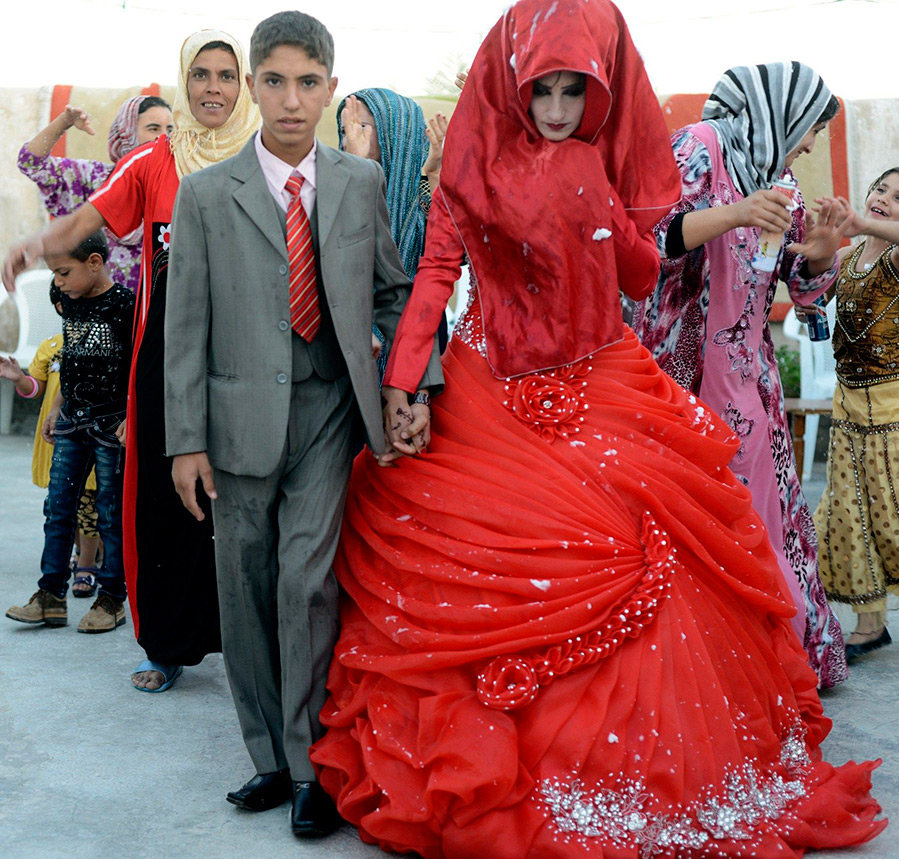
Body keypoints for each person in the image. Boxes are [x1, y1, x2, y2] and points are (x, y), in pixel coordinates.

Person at [309, 2, 886, 856]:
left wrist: (624, 218)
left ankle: (643, 772)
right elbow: (435, 272)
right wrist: (405, 384)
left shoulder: (592, 167)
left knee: (660, 546)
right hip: (487, 394)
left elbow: (639, 268)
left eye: (572, 89)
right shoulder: (467, 169)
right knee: (485, 556)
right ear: (512, 83)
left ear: (599, 92)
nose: (553, 107)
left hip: (604, 380)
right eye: (539, 87)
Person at [163, 9, 442, 837]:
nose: (291, 100)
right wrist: (185, 439)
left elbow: (393, 292)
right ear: (254, 86)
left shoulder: (357, 182)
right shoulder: (207, 194)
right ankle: (268, 761)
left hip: (328, 408)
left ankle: (313, 765)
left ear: (329, 86)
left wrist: (412, 382)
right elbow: (185, 325)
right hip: (236, 417)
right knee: (242, 586)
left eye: (308, 83)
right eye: (275, 82)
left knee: (305, 581)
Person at [3, 30, 259, 693]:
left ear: (243, 85)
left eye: (225, 75)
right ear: (184, 81)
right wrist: (34, 245)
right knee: (161, 507)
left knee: (247, 503)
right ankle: (167, 642)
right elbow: (88, 215)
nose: (211, 87)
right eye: (199, 74)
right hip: (166, 362)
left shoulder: (267, 160)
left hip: (252, 361)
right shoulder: (154, 160)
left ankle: (254, 645)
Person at [632, 62, 849, 689]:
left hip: (749, 380)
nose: (808, 144)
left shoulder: (782, 181)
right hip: (681, 376)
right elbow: (651, 239)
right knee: (692, 518)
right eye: (808, 128)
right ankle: (701, 665)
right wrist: (735, 214)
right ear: (778, 112)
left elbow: (801, 287)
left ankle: (767, 660)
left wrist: (823, 251)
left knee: (760, 515)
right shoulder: (698, 148)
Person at [5, 232, 133, 632]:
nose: (57, 282)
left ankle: (111, 599)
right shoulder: (69, 304)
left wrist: (134, 415)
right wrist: (57, 406)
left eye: (63, 272)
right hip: (71, 424)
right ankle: (50, 597)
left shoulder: (126, 306)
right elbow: (71, 361)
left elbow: (139, 367)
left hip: (111, 426)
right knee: (58, 511)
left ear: (94, 262)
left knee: (110, 515)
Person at [812, 168, 899, 662]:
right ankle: (870, 624)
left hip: (892, 407)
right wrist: (819, 248)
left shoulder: (894, 257)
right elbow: (812, 286)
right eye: (880, 189)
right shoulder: (848, 258)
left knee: (892, 516)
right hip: (848, 404)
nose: (885, 198)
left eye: (898, 197)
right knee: (849, 515)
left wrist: (863, 222)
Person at [0, 280, 102, 596]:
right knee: (62, 503)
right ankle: (81, 554)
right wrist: (20, 378)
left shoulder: (102, 343)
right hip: (58, 440)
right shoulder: (50, 346)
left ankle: (87, 564)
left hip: (91, 437)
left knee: (89, 504)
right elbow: (37, 389)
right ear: (61, 307)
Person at [338, 89, 449, 370]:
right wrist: (357, 173)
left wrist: (434, 176)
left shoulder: (424, 191)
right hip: (349, 351)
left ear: (394, 130)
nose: (347, 137)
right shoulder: (332, 190)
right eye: (344, 129)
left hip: (420, 353)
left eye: (360, 126)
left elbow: (448, 252)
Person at [18, 96, 174, 293]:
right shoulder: (93, 179)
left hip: (151, 317)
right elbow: (30, 163)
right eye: (153, 128)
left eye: (170, 130)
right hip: (94, 317)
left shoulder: (177, 188)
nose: (163, 138)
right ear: (127, 134)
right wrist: (64, 122)